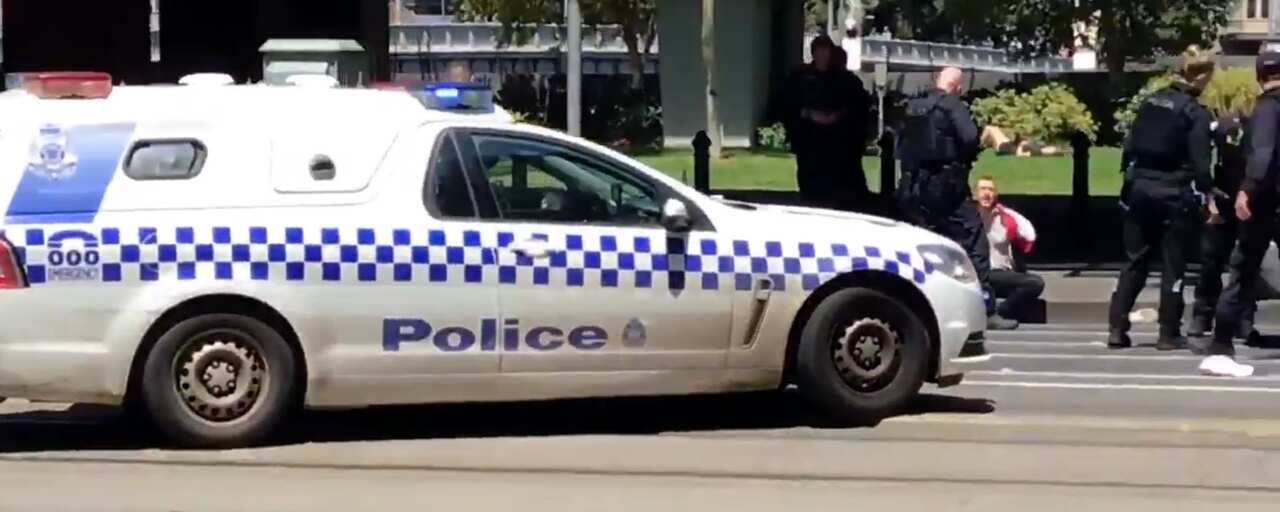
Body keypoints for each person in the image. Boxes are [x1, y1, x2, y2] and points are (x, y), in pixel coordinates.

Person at [1107, 47, 1217, 351]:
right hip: (1173, 192)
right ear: (1202, 76)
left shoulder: (1151, 102)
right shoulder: (1195, 112)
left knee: (1135, 260)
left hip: (1140, 188)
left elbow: (1130, 147)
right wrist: (1208, 194)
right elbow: (1201, 163)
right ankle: (1168, 332)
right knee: (1173, 264)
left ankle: (1117, 326)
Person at [897, 67, 1017, 330]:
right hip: (947, 190)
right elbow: (970, 138)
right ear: (957, 86)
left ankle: (915, 306)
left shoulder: (912, 107)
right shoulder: (952, 105)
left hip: (914, 189)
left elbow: (900, 145)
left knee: (919, 247)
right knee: (975, 243)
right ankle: (986, 309)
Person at [1197, 47, 1280, 377]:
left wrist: (1247, 188)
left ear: (1259, 78)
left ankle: (1220, 346)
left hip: (1265, 201)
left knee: (1243, 272)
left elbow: (1262, 153)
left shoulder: (1266, 108)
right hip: (1270, 201)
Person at [1189, 113, 1259, 340]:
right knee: (1211, 259)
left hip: (1250, 193)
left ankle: (1243, 317)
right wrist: (1208, 197)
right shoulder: (1216, 124)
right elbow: (1201, 159)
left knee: (1246, 260)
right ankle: (1203, 313)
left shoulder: (1259, 120)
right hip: (1223, 193)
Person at [783, 35, 853, 209]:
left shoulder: (839, 78)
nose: (823, 55)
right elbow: (789, 104)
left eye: (826, 51)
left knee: (830, 175)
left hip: (832, 136)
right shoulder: (801, 77)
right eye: (819, 51)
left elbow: (849, 104)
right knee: (808, 173)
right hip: (808, 134)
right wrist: (809, 114)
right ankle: (808, 200)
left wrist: (836, 116)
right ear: (813, 53)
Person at [975, 176, 1045, 321]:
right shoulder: (967, 216)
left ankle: (999, 312)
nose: (987, 193)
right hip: (978, 274)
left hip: (1001, 274)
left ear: (996, 194)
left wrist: (1006, 216)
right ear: (975, 193)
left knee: (1035, 283)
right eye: (982, 189)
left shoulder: (1005, 217)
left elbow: (1029, 235)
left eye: (991, 190)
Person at [831, 46, 873, 205]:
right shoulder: (851, 81)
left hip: (846, 134)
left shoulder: (848, 82)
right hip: (849, 135)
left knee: (849, 168)